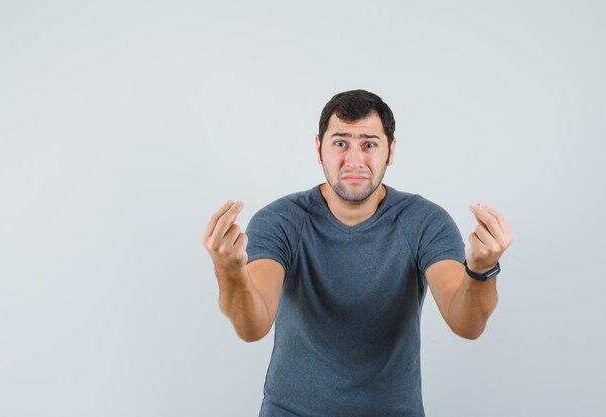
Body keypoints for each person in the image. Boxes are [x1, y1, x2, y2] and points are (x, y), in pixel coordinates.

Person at [202, 90, 513, 417]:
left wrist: (481, 268)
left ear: (390, 151)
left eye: (369, 144)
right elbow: (252, 327)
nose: (353, 161)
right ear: (318, 148)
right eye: (340, 143)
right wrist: (230, 270)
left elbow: (466, 324)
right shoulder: (280, 221)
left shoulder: (424, 221)